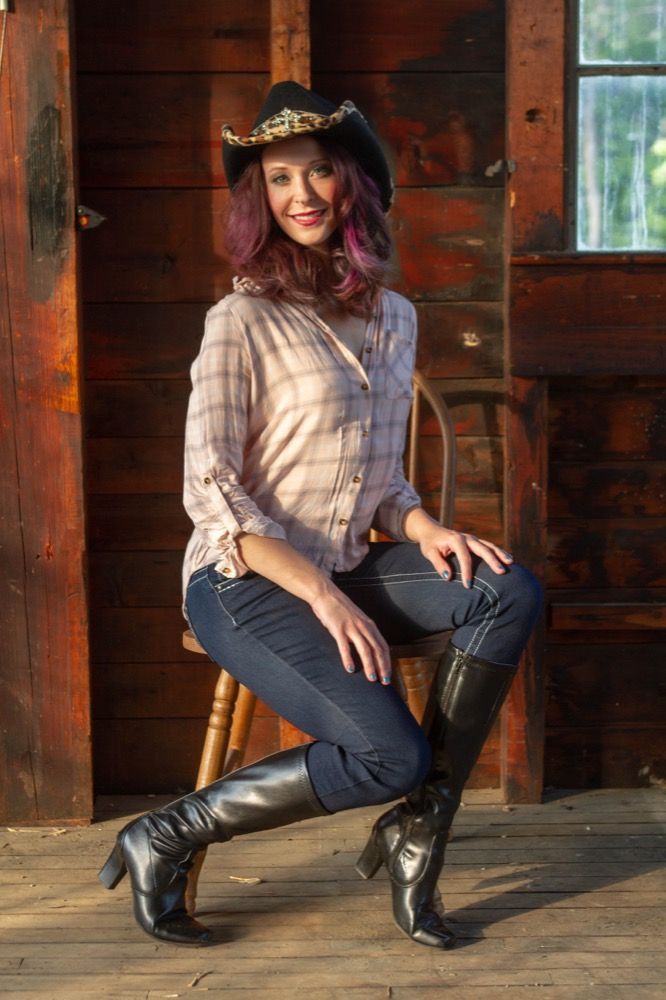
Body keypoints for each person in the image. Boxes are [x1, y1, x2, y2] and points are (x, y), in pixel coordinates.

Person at [98, 81, 542, 949]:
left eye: (317, 172)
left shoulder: (396, 318)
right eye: (276, 179)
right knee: (391, 755)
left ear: (353, 185)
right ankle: (166, 833)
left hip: (342, 562)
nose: (299, 194)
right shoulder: (240, 320)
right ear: (259, 198)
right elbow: (211, 490)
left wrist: (423, 527)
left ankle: (421, 828)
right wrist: (324, 597)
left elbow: (380, 484)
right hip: (246, 580)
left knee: (505, 587)